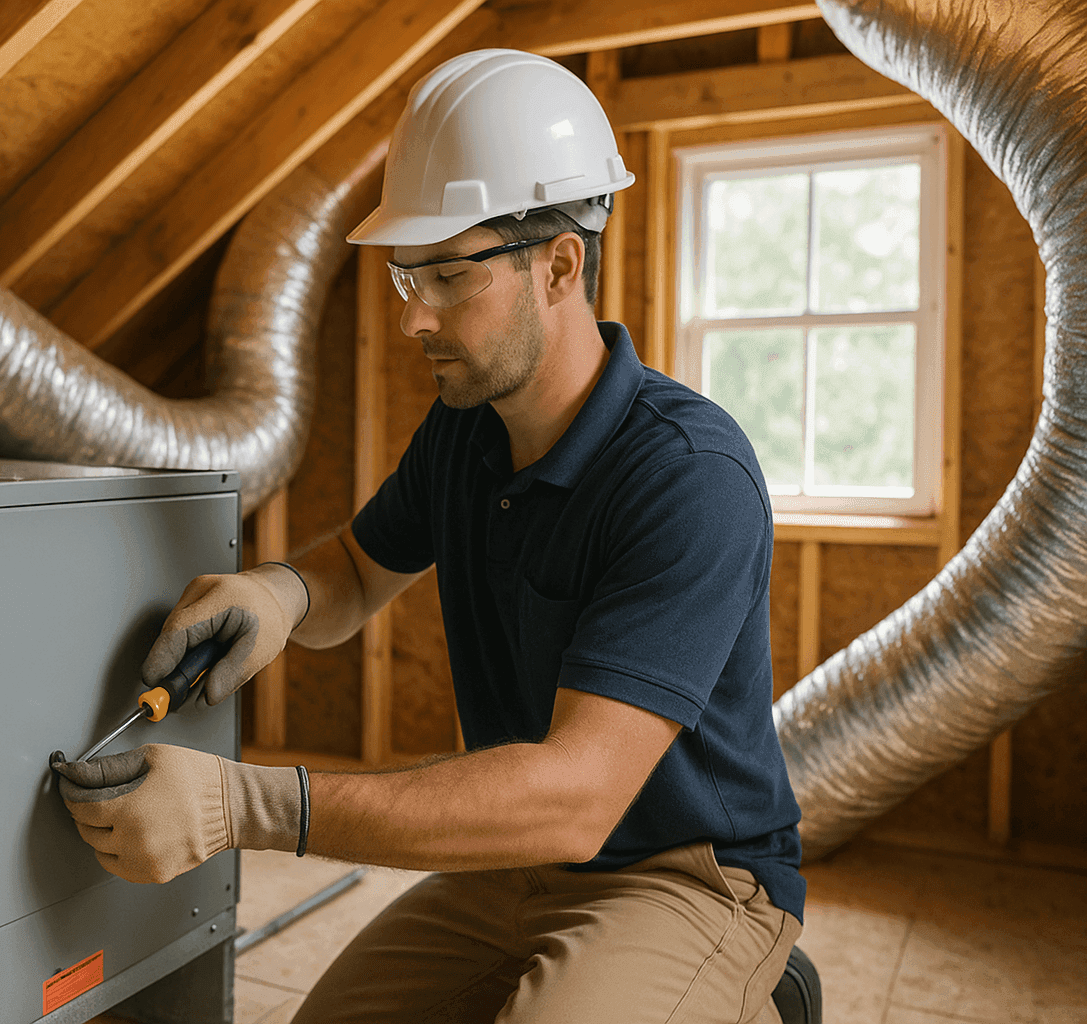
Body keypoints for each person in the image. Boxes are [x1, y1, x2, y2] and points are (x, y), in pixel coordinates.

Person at [54, 48, 804, 1024]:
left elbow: (578, 793)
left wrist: (243, 805)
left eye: (449, 274)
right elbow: (362, 568)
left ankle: (764, 995)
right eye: (408, 274)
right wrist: (279, 592)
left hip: (682, 875)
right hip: (514, 861)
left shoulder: (687, 475)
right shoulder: (467, 429)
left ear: (560, 266)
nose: (412, 316)